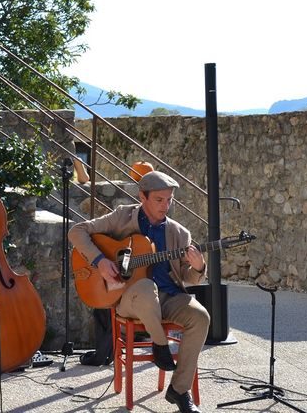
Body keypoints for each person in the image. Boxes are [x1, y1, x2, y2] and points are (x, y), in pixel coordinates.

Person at [69, 171, 209, 413]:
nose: (166, 206)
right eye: (159, 200)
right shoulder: (123, 217)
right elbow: (76, 231)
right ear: (142, 197)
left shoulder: (179, 233)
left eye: (169, 200)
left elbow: (187, 277)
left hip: (168, 297)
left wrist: (198, 267)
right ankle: (160, 343)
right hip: (131, 299)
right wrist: (101, 261)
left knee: (201, 317)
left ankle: (179, 390)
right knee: (145, 287)